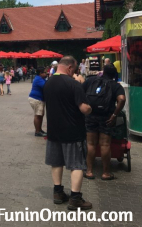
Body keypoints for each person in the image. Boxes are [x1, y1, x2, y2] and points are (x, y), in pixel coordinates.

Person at [43, 56, 92, 210]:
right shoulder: (73, 84)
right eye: (75, 69)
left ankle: (58, 192)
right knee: (77, 164)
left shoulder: (48, 83)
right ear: (70, 68)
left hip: (53, 130)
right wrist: (91, 108)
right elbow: (84, 108)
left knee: (56, 162)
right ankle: (75, 198)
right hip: (72, 131)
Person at [83, 64, 126, 181]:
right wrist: (114, 114)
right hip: (107, 117)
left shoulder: (91, 81)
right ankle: (106, 173)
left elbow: (80, 93)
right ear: (114, 74)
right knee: (105, 144)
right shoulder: (115, 86)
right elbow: (121, 99)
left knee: (91, 144)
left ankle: (89, 171)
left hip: (90, 115)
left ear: (103, 72)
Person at [29, 67, 47, 137]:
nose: (46, 73)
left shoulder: (41, 78)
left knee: (40, 115)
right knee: (38, 115)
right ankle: (37, 131)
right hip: (36, 99)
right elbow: (46, 86)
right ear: (40, 73)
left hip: (39, 99)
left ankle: (40, 129)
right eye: (44, 72)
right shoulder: (38, 79)